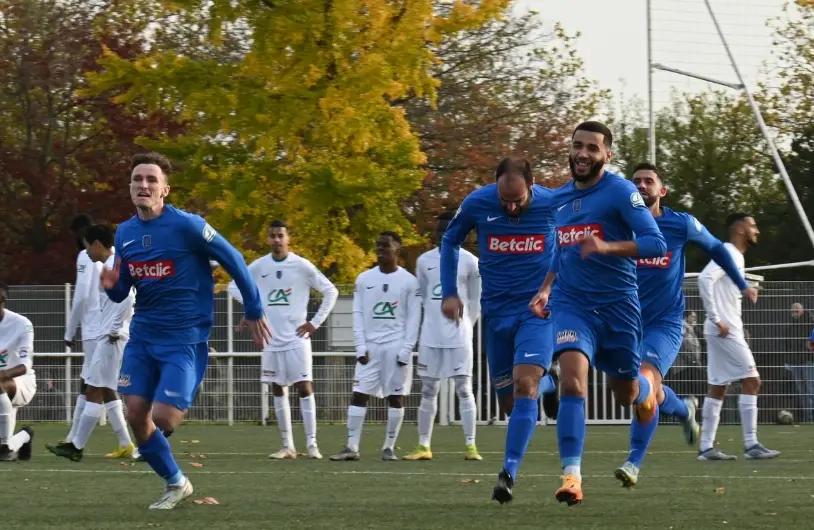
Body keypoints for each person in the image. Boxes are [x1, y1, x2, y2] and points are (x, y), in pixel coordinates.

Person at [101, 152, 271, 510]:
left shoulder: (189, 226)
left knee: (163, 417)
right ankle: (176, 482)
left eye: (150, 180)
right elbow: (122, 289)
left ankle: (177, 409)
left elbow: (234, 259)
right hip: (144, 334)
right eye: (137, 180)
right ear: (130, 188)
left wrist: (254, 308)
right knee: (134, 413)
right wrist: (112, 284)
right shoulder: (125, 232)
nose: (143, 185)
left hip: (184, 337)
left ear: (165, 189)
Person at [530, 121, 667, 506]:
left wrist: (607, 248)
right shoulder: (558, 200)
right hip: (573, 306)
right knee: (573, 383)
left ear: (607, 155)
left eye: (593, 148)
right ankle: (571, 477)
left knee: (625, 395)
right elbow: (562, 250)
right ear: (570, 149)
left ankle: (649, 391)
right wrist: (545, 288)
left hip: (619, 308)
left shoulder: (623, 192)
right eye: (578, 146)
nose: (583, 154)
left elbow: (654, 241)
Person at [613, 163, 755, 487]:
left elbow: (718, 249)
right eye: (635, 181)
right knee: (643, 391)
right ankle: (681, 409)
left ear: (662, 191)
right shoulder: (617, 227)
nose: (642, 185)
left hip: (665, 322)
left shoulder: (680, 224)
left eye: (649, 181)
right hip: (625, 323)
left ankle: (633, 463)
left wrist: (741, 282)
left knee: (642, 383)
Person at [440, 156, 559, 504]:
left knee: (525, 385)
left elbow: (573, 242)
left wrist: (554, 286)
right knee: (510, 401)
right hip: (497, 314)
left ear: (532, 186)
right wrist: (450, 292)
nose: (510, 207)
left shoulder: (554, 203)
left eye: (517, 201)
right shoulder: (478, 202)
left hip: (537, 311)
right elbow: (450, 241)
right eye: (504, 200)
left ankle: (508, 473)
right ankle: (549, 382)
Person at [228, 220, 338, 460]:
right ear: (268, 240)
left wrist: (315, 322)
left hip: (297, 338)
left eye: (281, 235)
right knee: (277, 388)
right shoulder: (259, 266)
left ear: (288, 239)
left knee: (304, 386)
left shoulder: (301, 266)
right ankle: (287, 445)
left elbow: (331, 291)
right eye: (272, 236)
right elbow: (233, 287)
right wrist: (253, 311)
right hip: (270, 338)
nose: (277, 240)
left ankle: (312, 445)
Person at [46, 224, 137, 461]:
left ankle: (76, 446)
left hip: (111, 337)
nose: (86, 252)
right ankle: (78, 445)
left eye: (87, 246)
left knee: (99, 388)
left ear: (96, 244)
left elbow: (127, 298)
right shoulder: (114, 262)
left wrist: (115, 329)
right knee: (97, 388)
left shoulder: (111, 266)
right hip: (109, 336)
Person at [329, 232, 420, 461]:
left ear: (397, 249)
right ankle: (351, 447)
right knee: (359, 394)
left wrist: (406, 349)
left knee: (396, 397)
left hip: (396, 346)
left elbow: (413, 318)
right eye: (378, 246)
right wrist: (360, 346)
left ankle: (388, 447)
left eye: (385, 246)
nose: (380, 250)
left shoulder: (409, 281)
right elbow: (358, 313)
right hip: (370, 347)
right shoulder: (364, 279)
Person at [697, 213, 780, 460]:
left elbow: (721, 286)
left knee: (718, 386)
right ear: (740, 228)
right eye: (753, 225)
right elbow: (704, 279)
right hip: (725, 329)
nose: (757, 230)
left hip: (721, 329)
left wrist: (746, 290)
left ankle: (706, 447)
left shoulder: (736, 257)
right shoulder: (729, 251)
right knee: (752, 380)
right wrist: (715, 317)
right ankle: (751, 444)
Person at [403, 211, 482, 462]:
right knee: (428, 389)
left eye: (447, 230)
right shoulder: (424, 261)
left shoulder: (470, 262)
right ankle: (423, 445)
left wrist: (466, 326)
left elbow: (476, 301)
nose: (442, 235)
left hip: (459, 337)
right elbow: (423, 298)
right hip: (430, 336)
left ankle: (471, 446)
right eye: (438, 231)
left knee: (464, 389)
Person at [62, 213, 107, 447]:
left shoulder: (85, 256)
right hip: (110, 326)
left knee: (95, 384)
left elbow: (80, 297)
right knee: (100, 384)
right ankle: (73, 437)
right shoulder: (113, 256)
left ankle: (74, 440)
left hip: (94, 329)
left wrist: (69, 332)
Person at [0, 283, 35, 461]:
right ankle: (24, 435)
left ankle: (5, 447)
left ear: (2, 300)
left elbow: (25, 365)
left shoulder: (22, 324)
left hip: (22, 383)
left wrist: (3, 375)